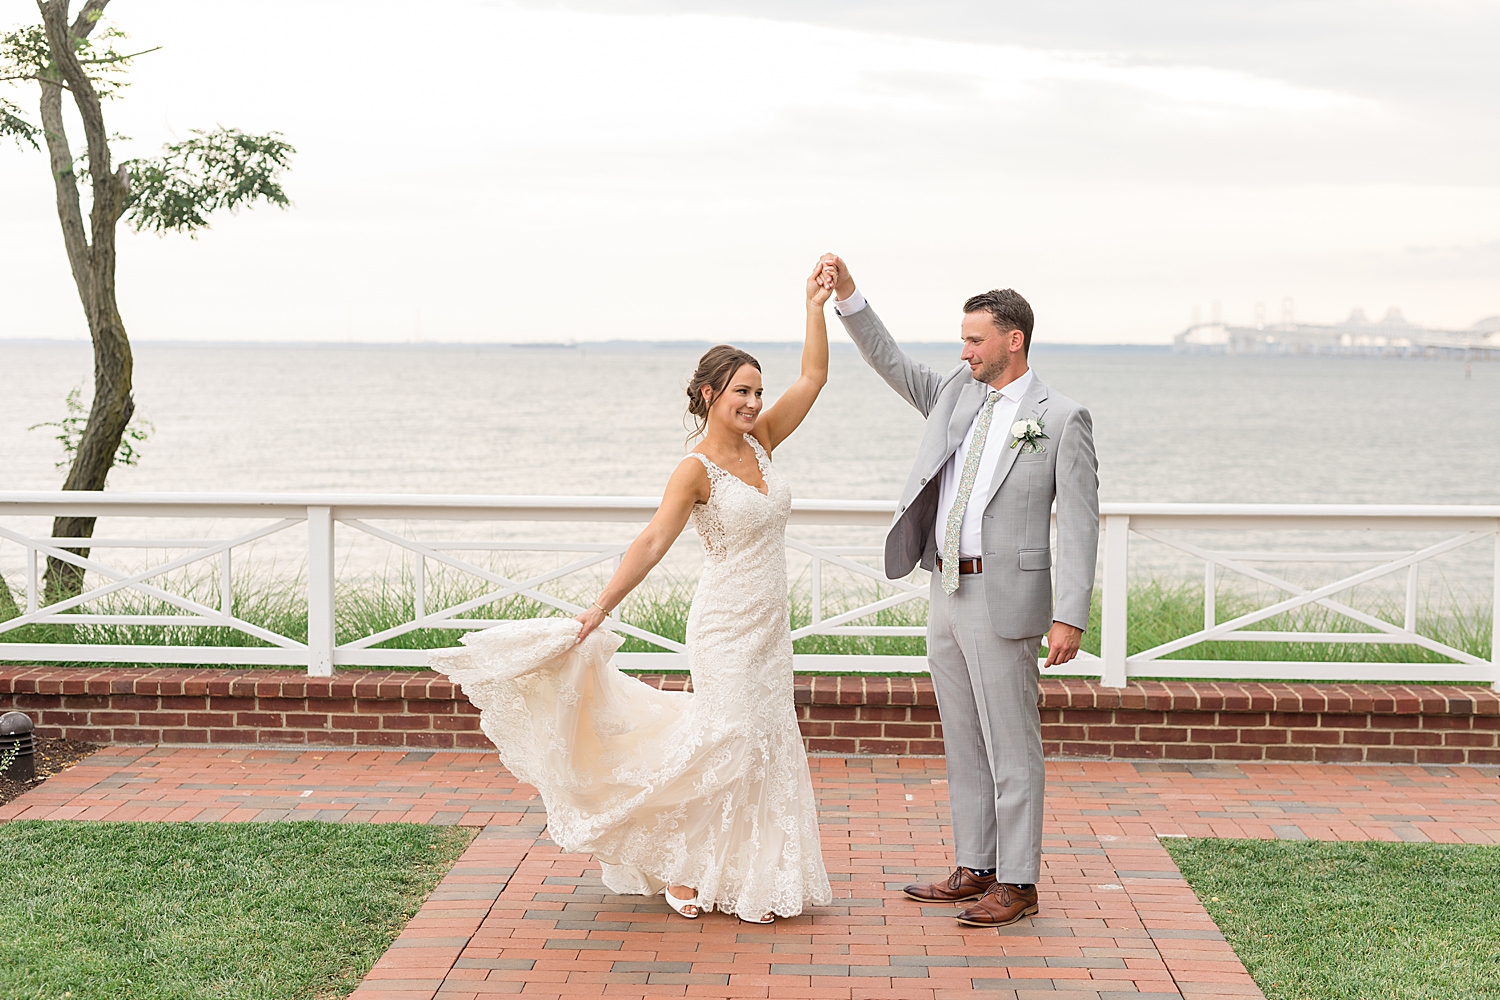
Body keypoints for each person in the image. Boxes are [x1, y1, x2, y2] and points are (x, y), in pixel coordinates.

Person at [429, 263, 837, 924]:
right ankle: (679, 865)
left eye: (758, 392)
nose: (754, 404)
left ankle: (749, 871)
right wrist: (600, 607)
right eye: (741, 392)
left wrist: (814, 305)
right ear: (708, 394)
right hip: (724, 627)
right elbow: (651, 542)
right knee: (722, 740)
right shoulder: (694, 470)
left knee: (765, 742)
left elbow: (814, 377)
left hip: (770, 629)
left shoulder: (763, 444)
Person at [815, 253, 1099, 928]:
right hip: (945, 589)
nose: (964, 350)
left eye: (975, 339)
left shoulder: (1061, 418)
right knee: (963, 738)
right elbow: (891, 361)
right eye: (963, 339)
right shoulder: (954, 392)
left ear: (1013, 340)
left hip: (1007, 603)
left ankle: (1020, 881)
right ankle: (976, 866)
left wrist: (1070, 616)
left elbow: (1083, 524)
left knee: (1012, 744)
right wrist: (848, 296)